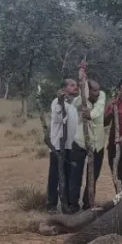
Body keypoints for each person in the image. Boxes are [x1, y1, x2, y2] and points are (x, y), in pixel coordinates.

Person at [69, 79, 106, 210]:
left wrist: (89, 114)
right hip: (80, 142)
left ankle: (88, 203)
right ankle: (72, 205)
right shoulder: (79, 100)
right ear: (87, 91)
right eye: (93, 90)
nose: (97, 92)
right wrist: (83, 94)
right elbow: (76, 104)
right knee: (75, 175)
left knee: (93, 176)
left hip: (98, 144)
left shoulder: (102, 95)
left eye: (97, 89)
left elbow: (98, 112)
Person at [46, 78, 79, 212]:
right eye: (72, 85)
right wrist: (61, 103)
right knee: (55, 175)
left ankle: (65, 203)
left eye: (76, 85)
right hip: (58, 145)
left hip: (70, 145)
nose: (75, 87)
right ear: (64, 89)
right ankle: (51, 204)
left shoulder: (73, 105)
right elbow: (59, 119)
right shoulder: (57, 102)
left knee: (67, 174)